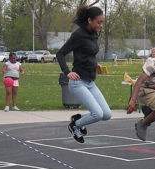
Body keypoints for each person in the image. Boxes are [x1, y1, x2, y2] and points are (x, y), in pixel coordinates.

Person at [56, 6, 111, 143]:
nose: (101, 25)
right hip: (78, 82)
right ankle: (75, 125)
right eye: (98, 22)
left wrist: (95, 64)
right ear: (89, 20)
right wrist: (67, 72)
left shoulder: (93, 34)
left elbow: (87, 54)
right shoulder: (78, 35)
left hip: (90, 82)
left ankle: (78, 120)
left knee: (106, 115)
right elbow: (60, 54)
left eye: (102, 22)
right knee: (97, 114)